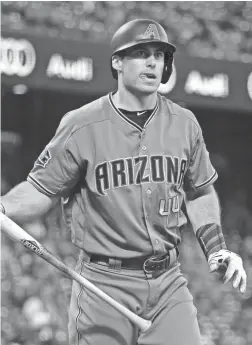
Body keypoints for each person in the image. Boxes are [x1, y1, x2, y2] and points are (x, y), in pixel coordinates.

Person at [1, 19, 247, 345]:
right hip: (103, 284)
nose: (152, 62)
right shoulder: (82, 125)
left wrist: (217, 249)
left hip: (167, 283)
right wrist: (3, 206)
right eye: (141, 53)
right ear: (117, 61)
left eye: (159, 55)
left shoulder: (185, 124)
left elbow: (200, 192)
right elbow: (41, 190)